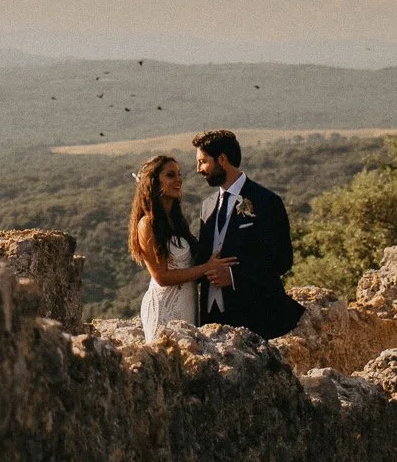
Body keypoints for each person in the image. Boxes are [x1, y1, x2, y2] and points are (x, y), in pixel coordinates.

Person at [190, 129, 305, 339]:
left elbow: (282, 260)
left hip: (254, 316)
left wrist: (234, 277)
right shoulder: (206, 206)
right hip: (210, 318)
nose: (198, 169)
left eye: (203, 161)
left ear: (222, 159)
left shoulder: (266, 201)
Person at [129, 153, 234, 341]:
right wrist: (207, 268)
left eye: (179, 175)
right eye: (170, 175)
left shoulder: (176, 222)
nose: (178, 179)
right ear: (153, 183)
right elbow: (161, 277)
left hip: (188, 304)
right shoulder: (147, 224)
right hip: (164, 308)